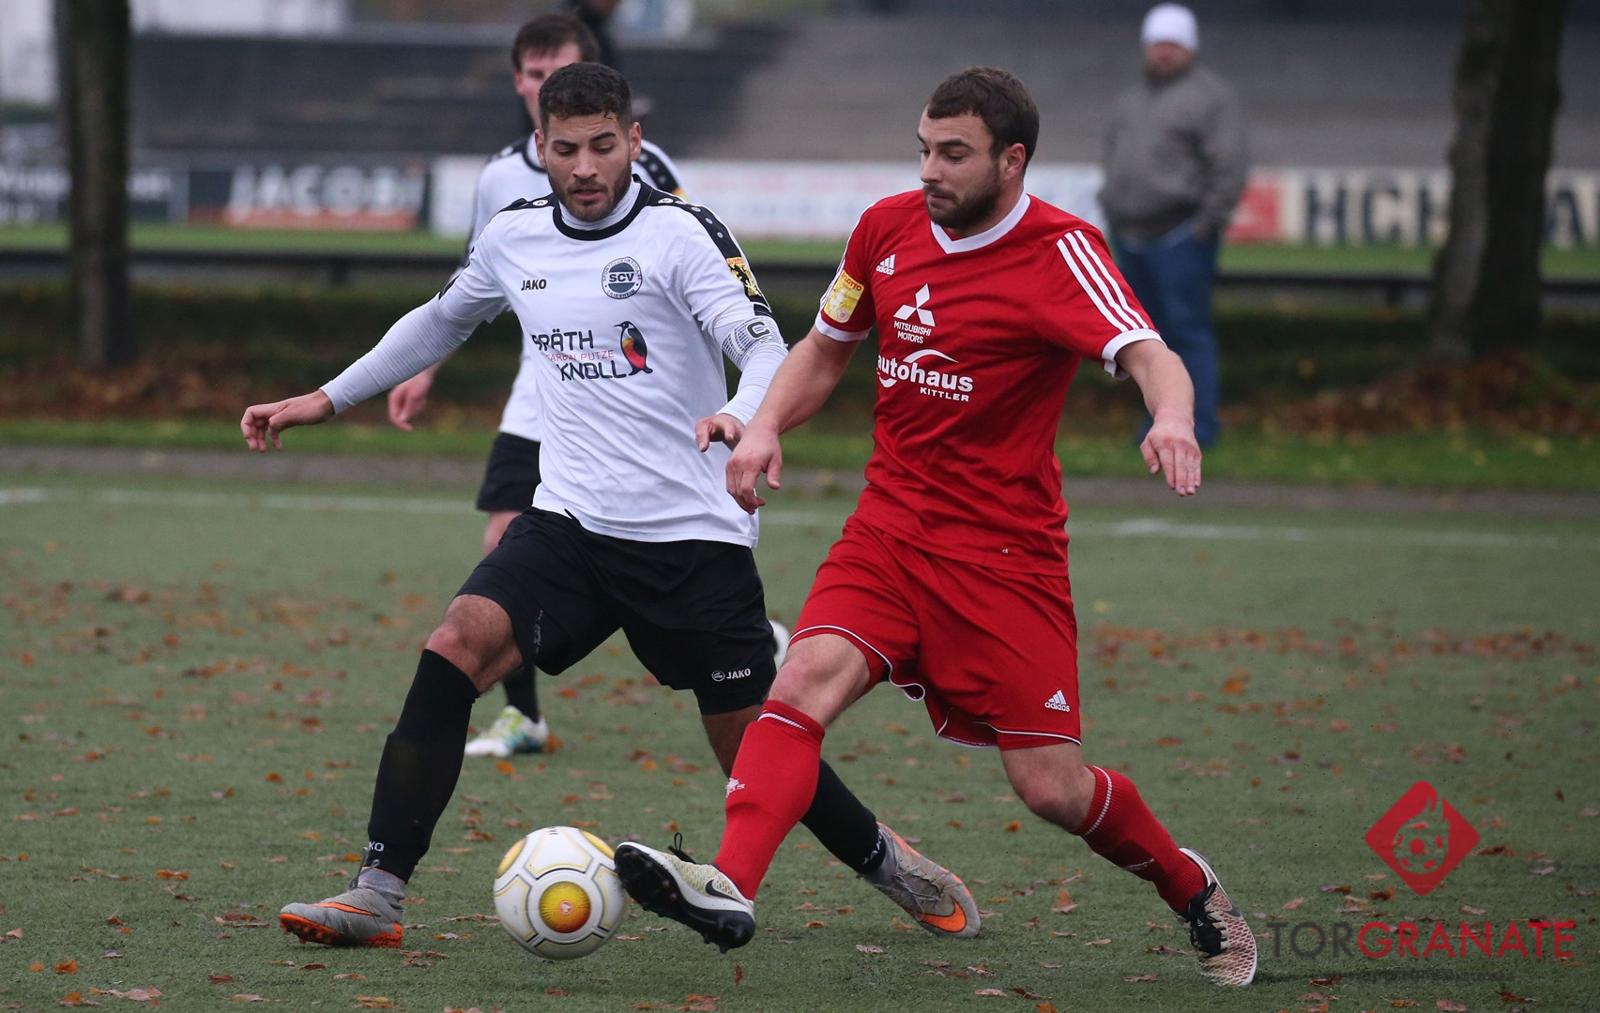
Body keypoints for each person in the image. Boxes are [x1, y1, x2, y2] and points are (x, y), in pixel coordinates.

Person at [244, 62, 978, 950]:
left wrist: (746, 419)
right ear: (541, 147)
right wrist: (326, 398)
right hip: (570, 526)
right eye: (566, 150)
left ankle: (884, 858)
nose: (585, 167)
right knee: (453, 647)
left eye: (602, 146)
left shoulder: (680, 233)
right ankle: (377, 892)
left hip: (692, 537)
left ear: (634, 140)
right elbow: (440, 319)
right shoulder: (516, 235)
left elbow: (761, 345)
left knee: (754, 750)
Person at [613, 66, 1257, 988]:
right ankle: (730, 885)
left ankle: (1192, 886)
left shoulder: (1061, 250)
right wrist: (761, 425)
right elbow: (824, 350)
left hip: (1004, 562)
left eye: (954, 154)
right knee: (799, 683)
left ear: (1012, 159)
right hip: (889, 532)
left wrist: (1174, 417)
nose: (930, 171)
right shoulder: (885, 229)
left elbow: (1153, 354)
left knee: (1051, 787)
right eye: (923, 149)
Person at [384, 12, 703, 761]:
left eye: (555, 70)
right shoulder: (500, 177)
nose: (541, 84)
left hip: (626, 396)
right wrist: (422, 368)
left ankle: (745, 638)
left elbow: (690, 264)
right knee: (503, 537)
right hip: (541, 391)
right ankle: (523, 715)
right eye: (532, 74)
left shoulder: (647, 168)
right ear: (520, 86)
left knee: (676, 600)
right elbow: (468, 288)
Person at [1099, 2, 1247, 448]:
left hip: (1180, 236)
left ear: (1189, 47)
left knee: (1187, 331)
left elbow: (1229, 165)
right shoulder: (1131, 100)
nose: (1163, 52)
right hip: (1131, 236)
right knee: (1145, 339)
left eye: (1173, 44)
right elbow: (1114, 156)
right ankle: (1157, 423)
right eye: (1157, 43)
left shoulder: (1211, 99)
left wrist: (1205, 226)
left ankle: (1199, 425)